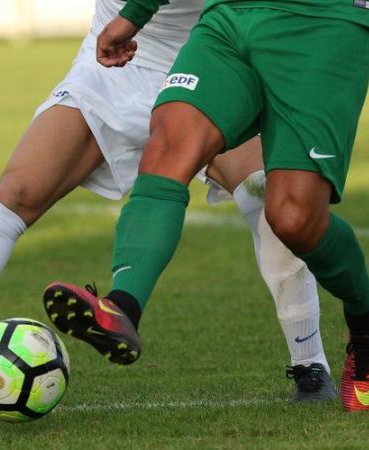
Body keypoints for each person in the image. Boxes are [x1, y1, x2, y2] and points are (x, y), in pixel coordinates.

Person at [0, 0, 335, 402]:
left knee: (266, 198)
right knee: (18, 191)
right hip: (117, 58)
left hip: (215, 53)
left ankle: (310, 365)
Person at [46, 0, 368, 411]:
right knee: (169, 143)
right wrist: (135, 12)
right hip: (230, 16)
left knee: (293, 219)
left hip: (322, 21)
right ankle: (121, 306)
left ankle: (363, 322)